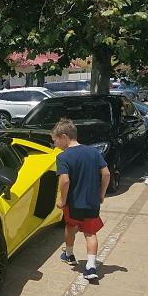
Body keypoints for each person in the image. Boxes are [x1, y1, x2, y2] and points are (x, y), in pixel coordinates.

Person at [51, 119, 110, 280]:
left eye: (55, 140)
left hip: (74, 203)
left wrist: (63, 201)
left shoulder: (63, 157)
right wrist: (101, 194)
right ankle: (91, 266)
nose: (55, 144)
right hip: (92, 202)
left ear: (64, 137)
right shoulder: (93, 152)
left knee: (71, 226)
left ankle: (69, 255)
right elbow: (106, 173)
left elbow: (65, 180)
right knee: (90, 233)